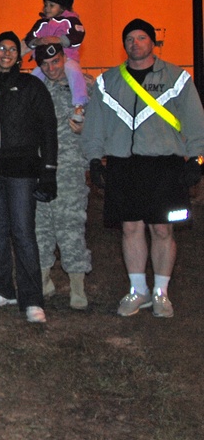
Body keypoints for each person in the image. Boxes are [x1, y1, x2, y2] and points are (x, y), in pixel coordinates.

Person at [82, 18, 204, 318]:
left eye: (141, 38)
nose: (134, 44)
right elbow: (95, 125)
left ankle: (161, 293)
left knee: (162, 228)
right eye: (129, 39)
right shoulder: (108, 81)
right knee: (130, 227)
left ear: (152, 42)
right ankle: (138, 290)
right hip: (124, 164)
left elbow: (195, 121)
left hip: (165, 164)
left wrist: (197, 159)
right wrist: (94, 159)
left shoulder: (177, 78)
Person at [0, 32, 57, 323]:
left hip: (24, 172)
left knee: (24, 234)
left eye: (12, 49)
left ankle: (32, 299)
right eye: (1, 48)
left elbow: (49, 130)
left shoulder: (32, 86)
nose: (6, 53)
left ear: (19, 55)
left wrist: (48, 172)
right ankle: (2, 288)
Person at [34, 43, 92, 309]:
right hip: (40, 166)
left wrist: (85, 130)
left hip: (70, 167)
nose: (51, 68)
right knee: (40, 225)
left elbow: (99, 123)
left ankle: (77, 286)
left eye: (56, 61)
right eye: (45, 64)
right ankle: (44, 280)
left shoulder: (84, 86)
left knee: (71, 226)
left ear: (63, 59)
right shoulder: (35, 88)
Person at [24, 0, 88, 120]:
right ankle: (26, 106)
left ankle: (79, 105)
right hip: (44, 61)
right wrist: (37, 42)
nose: (47, 8)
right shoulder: (42, 23)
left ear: (62, 7)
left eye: (51, 5)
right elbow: (29, 38)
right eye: (45, 5)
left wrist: (59, 40)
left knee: (75, 73)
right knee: (33, 78)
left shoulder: (70, 21)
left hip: (67, 58)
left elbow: (78, 35)